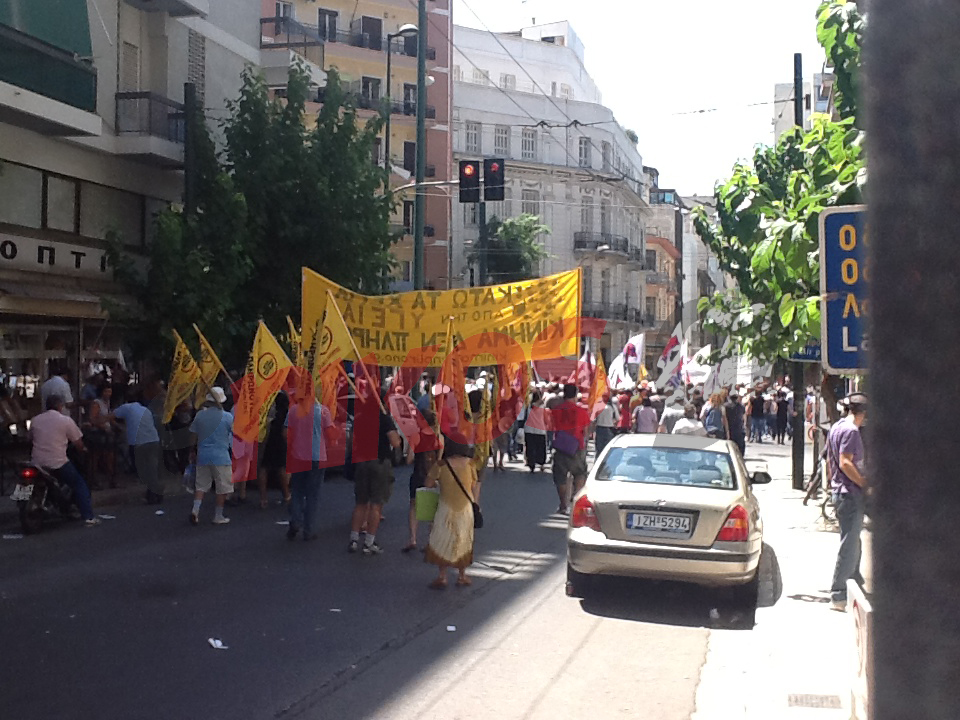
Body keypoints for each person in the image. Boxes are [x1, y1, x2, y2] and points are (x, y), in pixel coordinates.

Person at [29, 395, 100, 526]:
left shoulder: (35, 420)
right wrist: (83, 449)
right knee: (79, 483)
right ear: (60, 406)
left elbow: (31, 438)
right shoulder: (65, 421)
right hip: (57, 462)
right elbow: (78, 443)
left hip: (36, 461)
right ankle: (88, 516)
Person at [349, 398, 407, 555]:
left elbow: (352, 440)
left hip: (362, 461)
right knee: (376, 504)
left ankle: (353, 539)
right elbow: (394, 442)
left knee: (360, 502)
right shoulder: (384, 418)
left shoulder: (360, 418)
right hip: (379, 462)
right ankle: (369, 542)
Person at [827, 393, 868, 611]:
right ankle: (839, 593)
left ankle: (855, 580)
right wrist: (863, 482)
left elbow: (829, 461)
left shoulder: (836, 427)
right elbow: (845, 462)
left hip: (840, 491)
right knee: (849, 543)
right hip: (850, 492)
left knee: (853, 540)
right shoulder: (851, 431)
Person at [424, 433, 479, 589]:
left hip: (445, 508)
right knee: (463, 540)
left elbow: (428, 483)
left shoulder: (441, 465)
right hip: (465, 509)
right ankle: (462, 575)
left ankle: (442, 576)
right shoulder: (470, 464)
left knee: (442, 538)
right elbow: (473, 486)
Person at [285, 387, 333, 541]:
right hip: (317, 456)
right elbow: (330, 434)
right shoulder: (323, 411)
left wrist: (294, 445)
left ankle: (295, 520)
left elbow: (285, 433)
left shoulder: (293, 410)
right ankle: (308, 530)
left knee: (297, 491)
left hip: (298, 456)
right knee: (313, 494)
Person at [188, 388, 233, 525]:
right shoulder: (227, 417)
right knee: (222, 487)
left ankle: (195, 510)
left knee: (201, 485)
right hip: (221, 455)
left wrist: (192, 451)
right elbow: (236, 433)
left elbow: (193, 436)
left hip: (203, 454)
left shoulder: (200, 415)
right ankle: (218, 515)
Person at [111, 393, 164, 504]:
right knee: (152, 468)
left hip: (139, 442)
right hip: (153, 439)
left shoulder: (126, 407)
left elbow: (110, 416)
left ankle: (153, 494)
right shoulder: (146, 410)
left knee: (144, 469)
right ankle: (155, 493)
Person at [551, 383, 591, 514]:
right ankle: (575, 501)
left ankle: (563, 504)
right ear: (575, 395)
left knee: (560, 477)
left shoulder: (556, 409)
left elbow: (552, 426)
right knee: (579, 473)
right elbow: (586, 432)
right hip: (577, 446)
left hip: (561, 445)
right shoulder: (582, 411)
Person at [83, 384, 120, 488]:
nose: (108, 394)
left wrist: (117, 426)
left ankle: (111, 480)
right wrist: (102, 426)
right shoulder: (96, 403)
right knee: (96, 458)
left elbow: (109, 417)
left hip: (107, 433)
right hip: (98, 434)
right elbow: (92, 419)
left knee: (110, 457)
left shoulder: (106, 403)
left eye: (109, 392)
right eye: (106, 391)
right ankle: (93, 481)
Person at [259, 392, 291, 508]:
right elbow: (286, 431)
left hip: (266, 438)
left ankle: (263, 498)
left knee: (264, 467)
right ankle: (286, 495)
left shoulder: (268, 411)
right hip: (279, 441)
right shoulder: (286, 413)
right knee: (281, 467)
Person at [523, 391, 548, 472]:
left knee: (530, 447)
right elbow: (545, 418)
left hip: (529, 429)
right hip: (540, 429)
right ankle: (541, 463)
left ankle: (531, 463)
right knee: (541, 447)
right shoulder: (542, 406)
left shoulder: (528, 406)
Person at [593, 392, 618, 456]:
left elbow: (593, 419)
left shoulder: (598, 406)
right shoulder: (613, 407)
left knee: (599, 450)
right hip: (609, 429)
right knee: (608, 450)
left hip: (599, 428)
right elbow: (617, 418)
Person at [723, 390, 747, 457]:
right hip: (739, 427)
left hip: (729, 428)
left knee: (729, 444)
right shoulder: (741, 406)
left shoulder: (725, 406)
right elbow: (743, 416)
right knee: (740, 445)